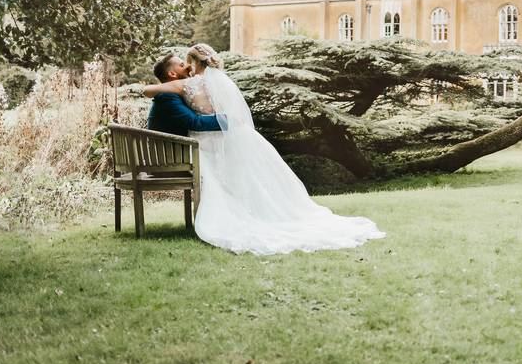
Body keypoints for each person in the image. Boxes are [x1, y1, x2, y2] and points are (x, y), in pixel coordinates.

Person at [142, 44, 385, 254]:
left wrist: (136, 88)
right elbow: (203, 115)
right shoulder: (213, 82)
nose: (186, 66)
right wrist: (230, 122)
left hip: (210, 142)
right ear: (174, 72)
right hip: (225, 138)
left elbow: (152, 92)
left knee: (232, 179)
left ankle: (243, 216)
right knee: (246, 178)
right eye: (181, 64)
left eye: (187, 62)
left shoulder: (188, 85)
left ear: (194, 62)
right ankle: (254, 213)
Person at [146, 54, 228, 136]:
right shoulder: (167, 96)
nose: (188, 67)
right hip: (171, 147)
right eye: (182, 65)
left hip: (173, 145)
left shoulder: (178, 92)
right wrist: (228, 121)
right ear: (172, 74)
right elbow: (194, 122)